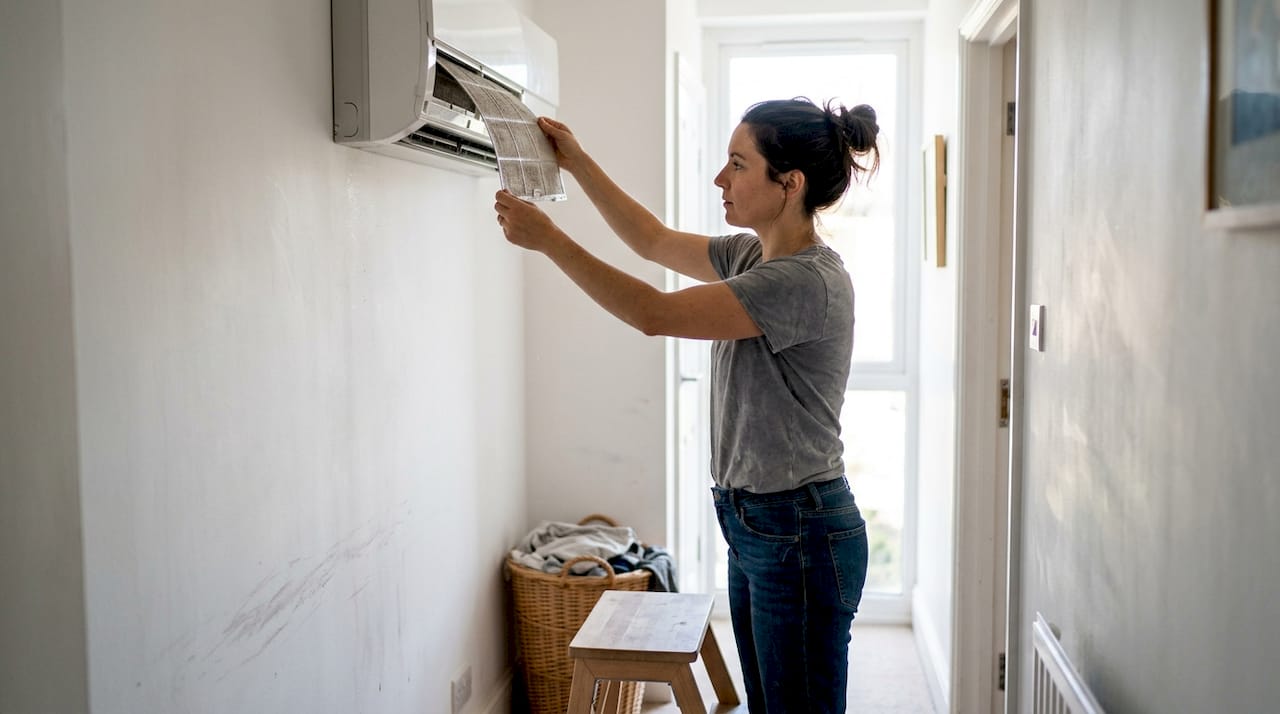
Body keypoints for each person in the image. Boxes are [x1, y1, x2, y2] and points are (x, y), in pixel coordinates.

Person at [494, 97, 880, 713]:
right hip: (757, 520)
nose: (720, 179)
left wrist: (549, 241)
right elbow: (650, 240)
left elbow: (654, 314)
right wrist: (577, 161)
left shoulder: (804, 281)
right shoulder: (752, 255)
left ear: (790, 183)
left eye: (737, 164)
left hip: (797, 529)